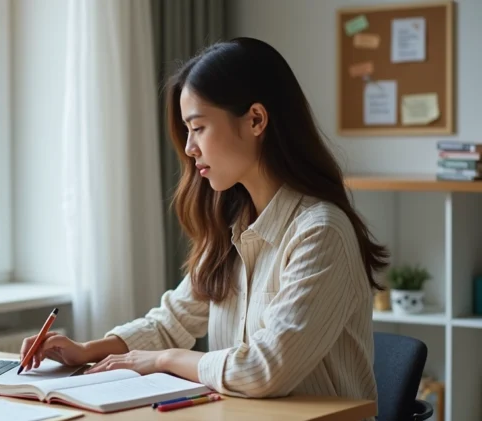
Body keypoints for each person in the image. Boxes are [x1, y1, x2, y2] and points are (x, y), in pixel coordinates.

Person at [20, 37, 388, 406]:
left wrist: (165, 360)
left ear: (256, 119)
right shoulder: (232, 228)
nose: (189, 147)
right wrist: (87, 350)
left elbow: (265, 370)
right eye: (187, 131)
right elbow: (171, 322)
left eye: (198, 128)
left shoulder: (320, 232)